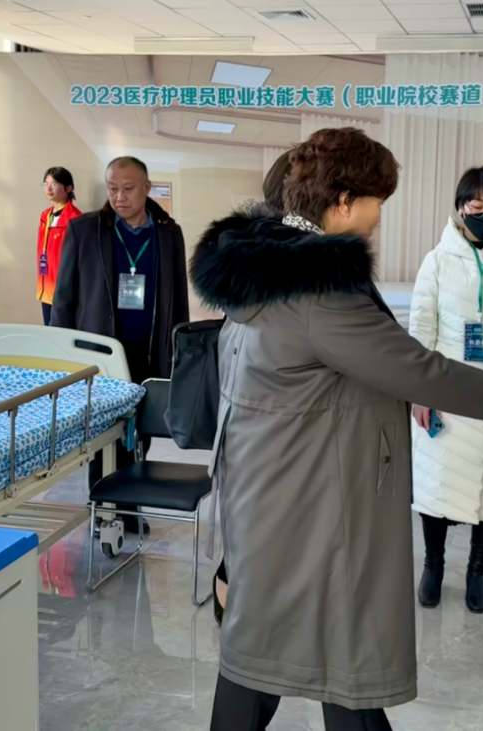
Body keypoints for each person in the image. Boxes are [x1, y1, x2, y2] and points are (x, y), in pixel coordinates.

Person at [191, 128, 483, 731]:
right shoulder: (318, 289)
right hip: (310, 495)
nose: (380, 217)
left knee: (287, 648)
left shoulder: (267, 268)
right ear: (343, 201)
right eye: (377, 201)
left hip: (278, 483)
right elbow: (413, 367)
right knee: (292, 650)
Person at [409, 166, 483, 615]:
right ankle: (433, 565)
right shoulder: (437, 260)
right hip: (447, 388)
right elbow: (421, 330)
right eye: (477, 206)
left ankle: (478, 570)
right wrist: (420, 392)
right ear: (460, 207)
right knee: (437, 482)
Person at [51, 156, 190, 517]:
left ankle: (128, 509)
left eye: (128, 188)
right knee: (104, 437)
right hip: (102, 356)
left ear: (147, 188)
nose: (119, 196)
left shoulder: (168, 234)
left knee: (140, 434)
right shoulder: (84, 230)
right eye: (113, 188)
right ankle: (103, 510)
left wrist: (180, 354)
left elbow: (178, 299)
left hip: (150, 353)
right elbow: (64, 299)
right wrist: (60, 358)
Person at [212, 149, 294, 626]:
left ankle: (234, 605)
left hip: (246, 411)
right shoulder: (287, 258)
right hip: (270, 412)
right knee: (262, 529)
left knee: (248, 525)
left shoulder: (243, 245)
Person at [36, 167, 82, 326]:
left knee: (62, 333)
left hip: (64, 290)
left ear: (68, 188)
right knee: (48, 330)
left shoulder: (75, 219)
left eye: (54, 184)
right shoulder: (45, 216)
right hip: (45, 286)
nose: (48, 189)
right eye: (46, 184)